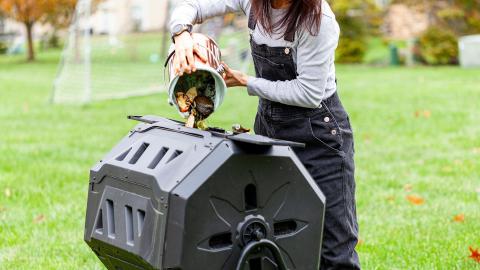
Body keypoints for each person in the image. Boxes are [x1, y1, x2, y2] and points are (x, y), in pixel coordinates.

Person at [169, 0, 360, 269]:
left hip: (319, 139)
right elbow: (191, 5)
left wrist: (247, 81)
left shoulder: (319, 21)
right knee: (272, 237)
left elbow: (308, 93)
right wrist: (181, 35)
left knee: (333, 249)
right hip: (270, 131)